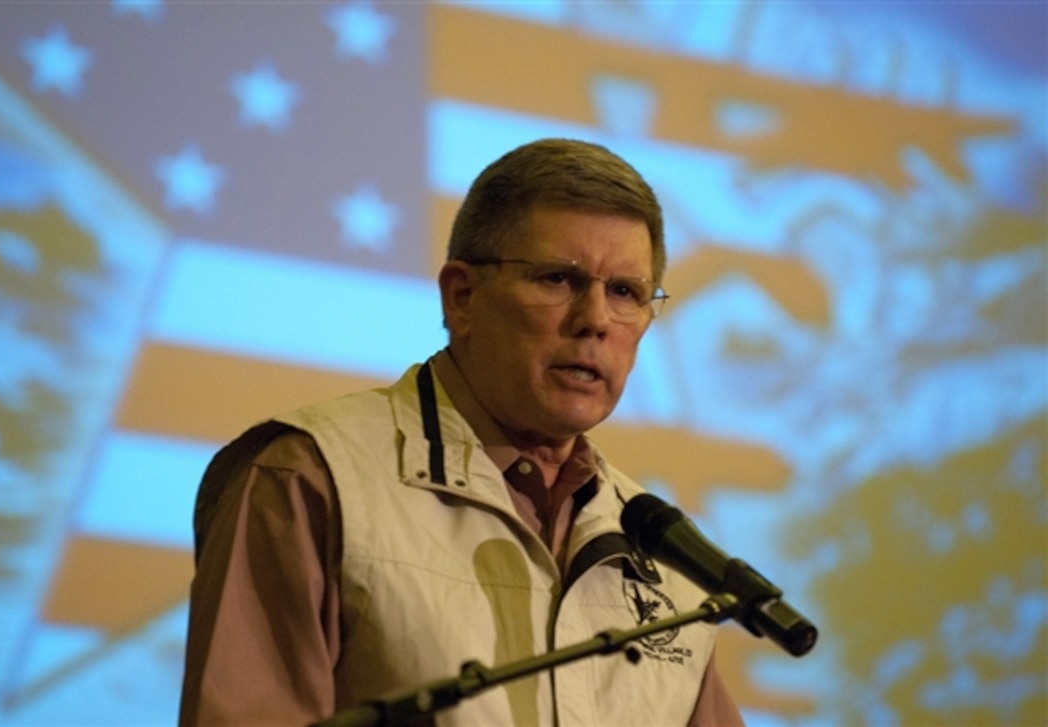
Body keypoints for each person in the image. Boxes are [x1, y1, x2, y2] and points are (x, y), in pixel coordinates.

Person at [179, 138, 745, 726]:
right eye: (558, 279)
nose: (595, 320)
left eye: (625, 292)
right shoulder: (311, 478)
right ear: (462, 296)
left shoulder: (663, 554)